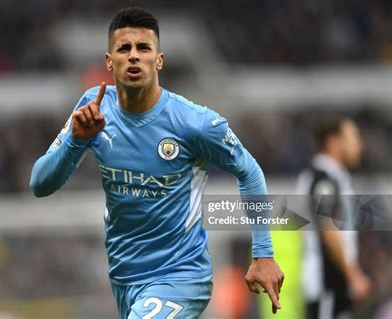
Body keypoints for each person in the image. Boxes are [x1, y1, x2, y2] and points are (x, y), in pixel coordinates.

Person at [30, 7, 283, 318]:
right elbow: (40, 184)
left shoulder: (195, 122)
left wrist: (263, 253)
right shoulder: (94, 108)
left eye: (143, 48)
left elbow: (249, 172)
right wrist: (76, 141)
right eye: (124, 48)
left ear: (159, 59)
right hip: (125, 278)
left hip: (180, 275)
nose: (134, 56)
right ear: (110, 61)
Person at [297, 116, 371, 319]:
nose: (359, 144)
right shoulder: (323, 180)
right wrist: (353, 275)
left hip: (334, 283)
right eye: (353, 137)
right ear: (333, 141)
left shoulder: (330, 178)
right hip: (327, 283)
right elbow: (328, 229)